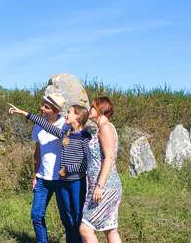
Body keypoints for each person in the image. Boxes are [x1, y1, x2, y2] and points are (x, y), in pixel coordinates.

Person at [8, 101, 91, 243]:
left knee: (76, 217)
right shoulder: (65, 134)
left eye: (70, 112)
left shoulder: (85, 137)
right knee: (67, 218)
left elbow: (86, 163)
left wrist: (67, 169)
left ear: (78, 117)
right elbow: (46, 125)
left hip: (76, 182)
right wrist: (24, 113)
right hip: (64, 181)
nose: (66, 114)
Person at [11, 93, 67, 243]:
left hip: (61, 179)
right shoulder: (38, 126)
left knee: (66, 217)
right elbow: (37, 152)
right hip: (42, 178)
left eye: (46, 107)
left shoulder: (65, 126)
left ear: (56, 111)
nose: (42, 108)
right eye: (42, 104)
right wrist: (35, 174)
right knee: (36, 215)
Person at [79, 96, 122, 243]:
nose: (90, 109)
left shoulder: (105, 128)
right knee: (110, 228)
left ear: (100, 110)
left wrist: (99, 185)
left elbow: (109, 158)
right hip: (103, 185)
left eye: (93, 107)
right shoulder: (102, 128)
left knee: (85, 228)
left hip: (105, 186)